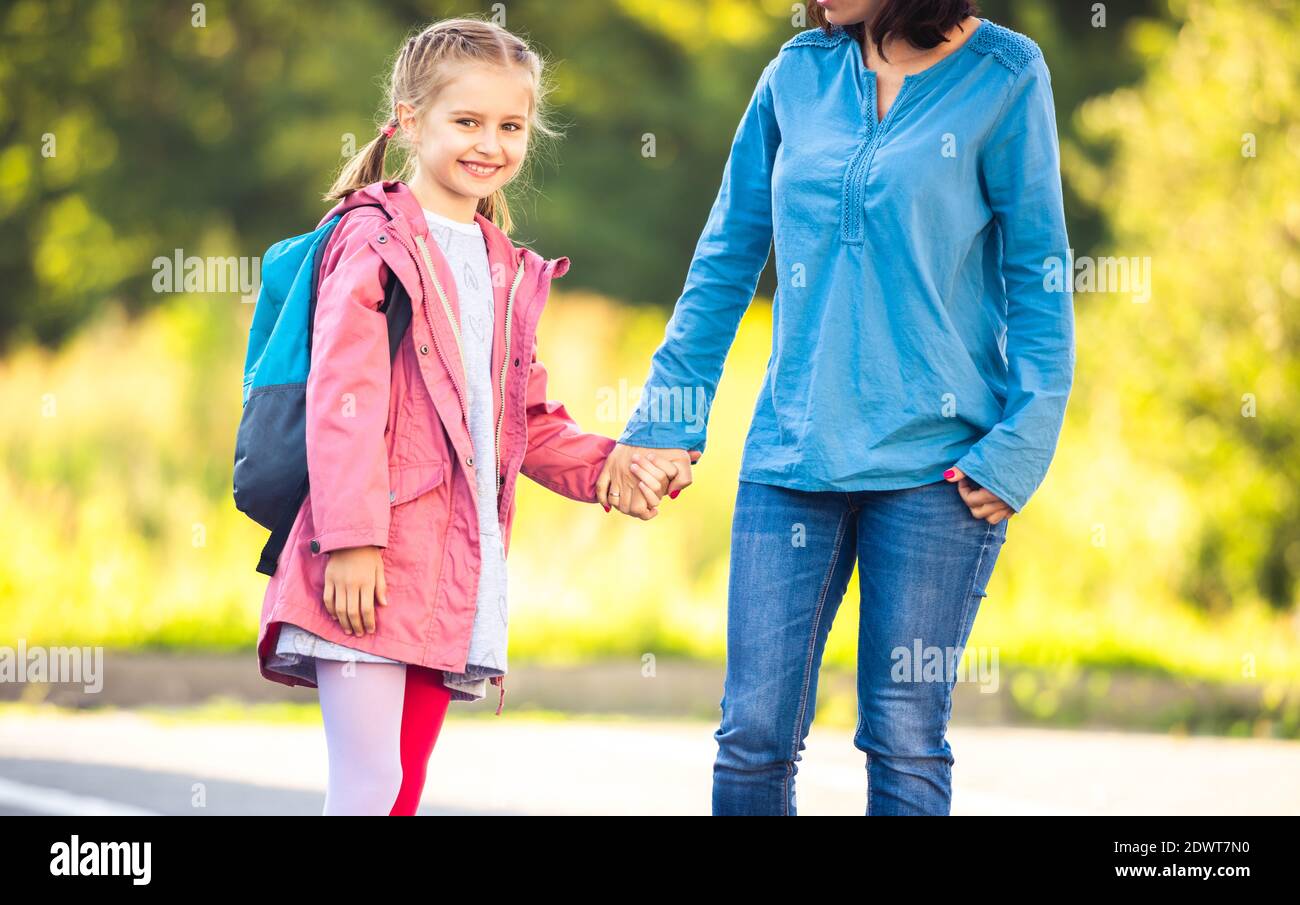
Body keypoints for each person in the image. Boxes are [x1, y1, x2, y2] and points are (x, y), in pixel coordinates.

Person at [598, 0, 1076, 814]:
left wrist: (1023, 442)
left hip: (940, 465)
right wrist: (666, 419)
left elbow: (1039, 272)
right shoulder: (797, 74)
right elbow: (725, 256)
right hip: (793, 453)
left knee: (903, 738)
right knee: (753, 737)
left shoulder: (1006, 75)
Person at [253, 17, 686, 815]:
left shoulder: (503, 265)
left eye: (511, 126)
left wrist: (612, 466)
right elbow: (343, 402)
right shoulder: (373, 239)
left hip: (451, 570)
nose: (491, 144)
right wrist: (350, 539)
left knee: (403, 785)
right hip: (368, 563)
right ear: (411, 122)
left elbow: (524, 421)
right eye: (468, 122)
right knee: (368, 783)